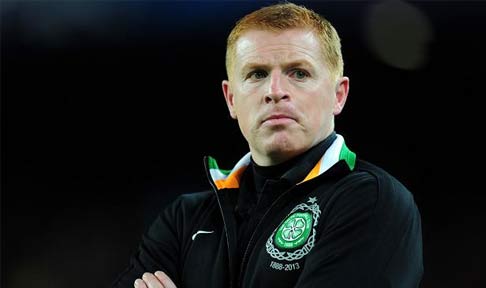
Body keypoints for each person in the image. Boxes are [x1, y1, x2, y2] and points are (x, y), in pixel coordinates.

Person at [112, 2, 424, 287]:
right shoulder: (183, 219)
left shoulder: (373, 201)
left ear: (338, 95)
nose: (275, 91)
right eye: (257, 74)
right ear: (231, 99)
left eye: (298, 73)